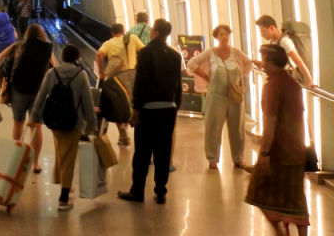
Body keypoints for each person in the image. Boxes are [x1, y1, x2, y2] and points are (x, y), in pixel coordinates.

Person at [245, 44, 312, 236]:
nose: (261, 63)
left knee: (257, 189)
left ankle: (280, 235)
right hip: (297, 148)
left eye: (264, 60)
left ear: (271, 63)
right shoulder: (293, 83)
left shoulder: (272, 86)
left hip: (279, 149)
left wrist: (264, 152)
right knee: (295, 196)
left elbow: (271, 120)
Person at [117, 18, 182, 204]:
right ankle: (160, 191)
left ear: (155, 32)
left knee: (142, 153)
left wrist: (135, 107)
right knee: (163, 151)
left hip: (148, 109)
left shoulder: (145, 53)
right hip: (168, 109)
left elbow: (141, 82)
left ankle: (137, 191)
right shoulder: (175, 55)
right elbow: (178, 84)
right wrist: (176, 105)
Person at [32, 44, 97, 211]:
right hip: (73, 123)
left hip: (54, 122)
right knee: (68, 159)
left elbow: (41, 95)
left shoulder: (51, 73)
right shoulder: (81, 75)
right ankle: (64, 197)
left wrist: (34, 116)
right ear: (77, 58)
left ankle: (64, 183)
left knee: (61, 151)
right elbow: (88, 103)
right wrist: (92, 125)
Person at [186, 24, 252, 169]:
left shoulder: (236, 53)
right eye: (221, 34)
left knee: (238, 128)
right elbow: (191, 63)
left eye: (226, 34)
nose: (224, 37)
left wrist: (241, 78)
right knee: (213, 127)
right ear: (216, 37)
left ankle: (238, 158)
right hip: (216, 95)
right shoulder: (210, 52)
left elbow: (248, 63)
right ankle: (212, 158)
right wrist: (206, 76)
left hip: (234, 96)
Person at [0, 23, 54, 173]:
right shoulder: (47, 48)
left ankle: (17, 160)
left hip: (18, 90)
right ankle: (35, 163)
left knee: (18, 124)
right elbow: (54, 66)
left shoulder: (18, 46)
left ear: (27, 34)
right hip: (38, 91)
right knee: (36, 127)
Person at [96, 22, 144, 145]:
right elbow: (144, 51)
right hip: (132, 76)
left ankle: (122, 134)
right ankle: (127, 125)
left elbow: (99, 54)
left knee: (117, 105)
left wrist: (101, 72)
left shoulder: (108, 43)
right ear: (124, 31)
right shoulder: (132, 38)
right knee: (133, 104)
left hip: (116, 80)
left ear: (112, 33)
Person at [254, 15, 315, 88]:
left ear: (272, 28)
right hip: (279, 80)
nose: (262, 35)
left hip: (287, 80)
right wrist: (262, 64)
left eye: (264, 31)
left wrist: (310, 81)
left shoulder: (284, 41)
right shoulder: (273, 42)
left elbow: (298, 61)